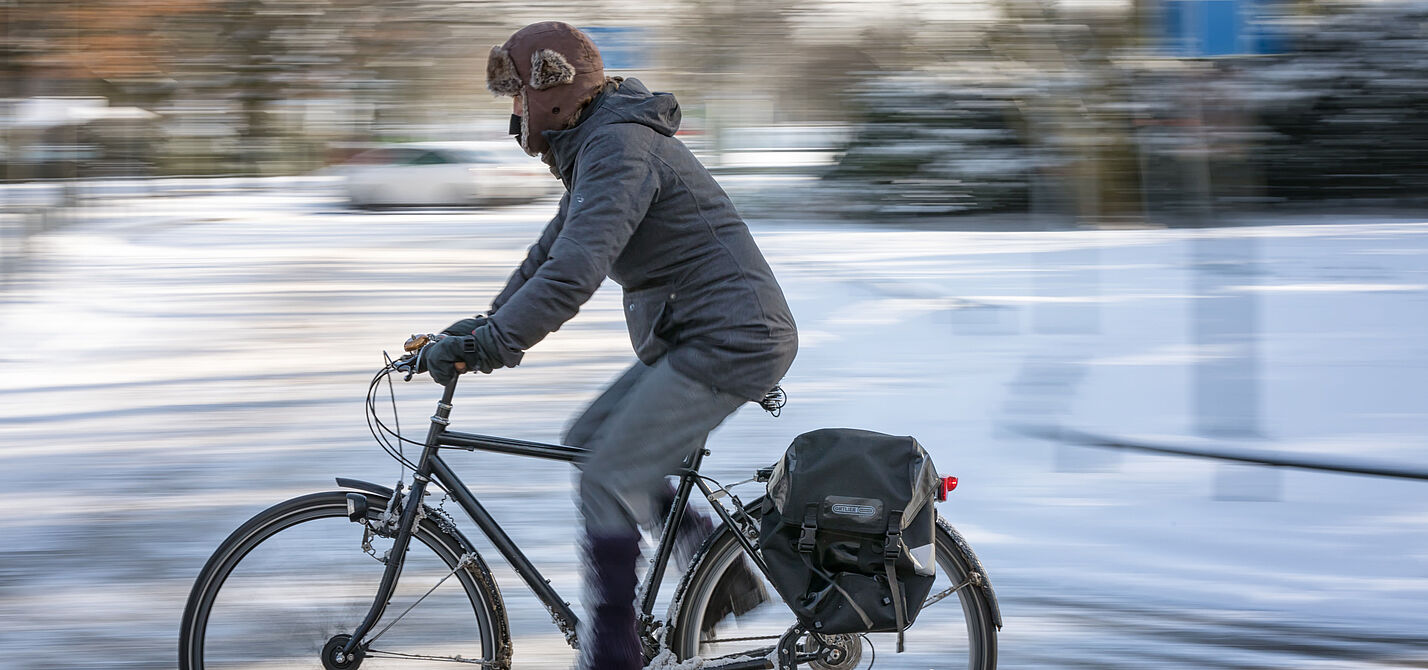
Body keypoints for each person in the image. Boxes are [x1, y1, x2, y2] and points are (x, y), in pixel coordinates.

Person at [421, 21, 797, 670]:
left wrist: (494, 345)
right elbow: (549, 256)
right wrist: (478, 326)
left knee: (608, 473)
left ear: (553, 91)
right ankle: (719, 570)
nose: (513, 112)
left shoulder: (618, 148)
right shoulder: (599, 146)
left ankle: (612, 649)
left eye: (517, 96)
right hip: (699, 334)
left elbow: (575, 272)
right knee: (590, 438)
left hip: (733, 338)